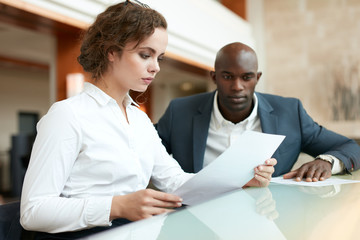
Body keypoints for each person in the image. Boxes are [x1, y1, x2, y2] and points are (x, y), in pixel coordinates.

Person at [20, 3, 273, 239]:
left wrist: (240, 180)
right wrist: (116, 206)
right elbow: (33, 211)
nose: (156, 67)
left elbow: (175, 181)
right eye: (145, 55)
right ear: (111, 52)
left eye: (159, 57)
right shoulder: (68, 115)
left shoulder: (140, 120)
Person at [155, 42, 360, 183]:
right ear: (214, 77)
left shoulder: (290, 112)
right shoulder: (179, 112)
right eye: (227, 77)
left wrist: (326, 161)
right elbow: (143, 152)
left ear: (257, 78)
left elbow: (351, 147)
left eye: (246, 77)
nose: (237, 86)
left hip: (267, 218)